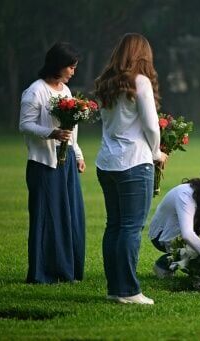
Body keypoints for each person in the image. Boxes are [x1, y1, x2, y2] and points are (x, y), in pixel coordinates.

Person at [94, 33, 168, 305]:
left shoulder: (105, 83)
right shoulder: (140, 81)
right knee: (130, 227)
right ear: (142, 55)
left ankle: (116, 288)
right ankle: (128, 291)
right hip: (134, 162)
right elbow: (151, 125)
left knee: (114, 225)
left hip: (107, 162)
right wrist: (157, 151)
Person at [19, 42, 86, 284]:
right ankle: (43, 273)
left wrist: (78, 155)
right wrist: (51, 134)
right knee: (47, 216)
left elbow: (71, 130)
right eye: (71, 67)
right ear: (58, 65)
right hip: (43, 164)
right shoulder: (35, 91)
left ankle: (68, 270)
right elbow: (24, 125)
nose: (73, 72)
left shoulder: (66, 92)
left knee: (70, 215)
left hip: (66, 161)